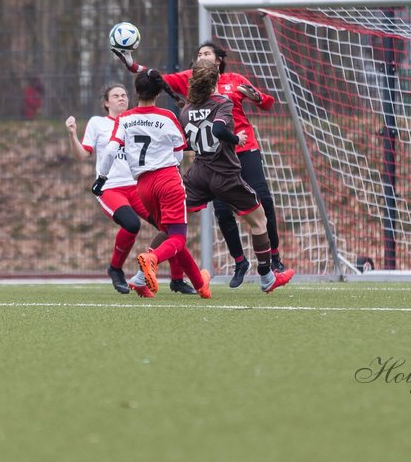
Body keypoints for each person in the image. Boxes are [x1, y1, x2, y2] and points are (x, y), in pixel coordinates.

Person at [113, 41, 285, 287]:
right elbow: (158, 79)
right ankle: (259, 272)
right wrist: (132, 64)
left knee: (176, 224)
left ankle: (142, 273)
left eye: (207, 53)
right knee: (246, 216)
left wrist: (256, 96)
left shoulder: (216, 91)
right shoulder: (207, 92)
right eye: (199, 53)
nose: (202, 55)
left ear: (217, 60)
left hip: (214, 164)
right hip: (223, 164)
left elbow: (266, 103)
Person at [65, 85, 198, 295]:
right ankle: (115, 269)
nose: (121, 98)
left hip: (139, 186)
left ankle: (177, 279)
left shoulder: (136, 119)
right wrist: (73, 135)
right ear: (106, 102)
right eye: (115, 96)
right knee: (131, 224)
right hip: (111, 188)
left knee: (169, 228)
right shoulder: (97, 123)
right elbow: (82, 154)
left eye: (124, 95)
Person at [93, 70, 211, 299]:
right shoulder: (167, 117)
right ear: (159, 92)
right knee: (177, 237)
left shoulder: (124, 119)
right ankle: (152, 259)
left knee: (169, 233)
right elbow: (179, 153)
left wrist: (102, 177)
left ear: (135, 92)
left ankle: (200, 285)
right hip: (167, 179)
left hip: (143, 185)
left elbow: (110, 149)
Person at [180, 60, 295, 294]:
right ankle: (266, 276)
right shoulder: (222, 101)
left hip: (199, 172)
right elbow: (219, 130)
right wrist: (236, 140)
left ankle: (147, 265)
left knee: (174, 220)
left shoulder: (185, 110)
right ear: (215, 80)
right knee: (259, 219)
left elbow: (186, 142)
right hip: (224, 172)